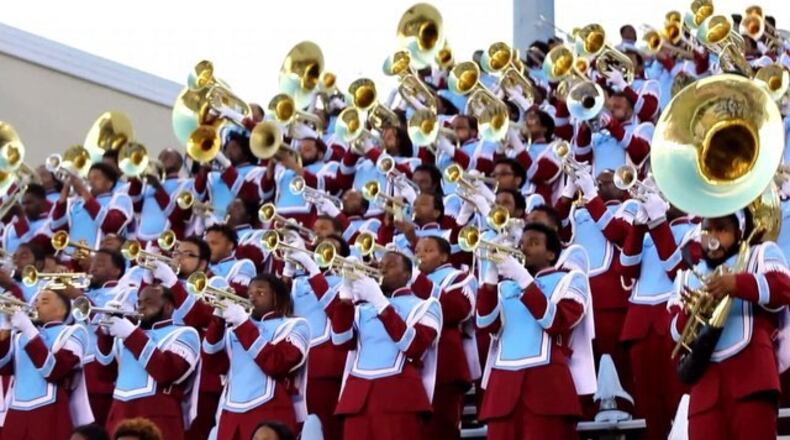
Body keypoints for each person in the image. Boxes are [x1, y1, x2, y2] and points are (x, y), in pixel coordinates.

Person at [668, 212, 790, 439]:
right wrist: (692, 311)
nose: (713, 238)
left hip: (752, 381)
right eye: (707, 230)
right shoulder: (686, 277)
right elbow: (675, 335)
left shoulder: (760, 254)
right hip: (705, 392)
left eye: (722, 229)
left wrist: (736, 284)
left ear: (738, 232)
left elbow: (783, 288)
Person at [476, 223, 593, 438]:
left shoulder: (570, 279)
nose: (524, 248)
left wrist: (523, 279)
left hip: (546, 387)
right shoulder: (504, 287)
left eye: (533, 243)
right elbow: (485, 324)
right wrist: (490, 277)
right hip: (502, 388)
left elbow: (556, 322)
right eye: (522, 243)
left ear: (551, 254)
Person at [330, 251, 442, 439]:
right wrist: (346, 295)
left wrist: (381, 303)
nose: (382, 269)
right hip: (357, 399)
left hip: (398, 398)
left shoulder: (427, 305)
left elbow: (414, 347)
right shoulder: (362, 308)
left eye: (390, 265)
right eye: (381, 265)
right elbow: (340, 341)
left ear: (407, 275)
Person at [203, 273, 311, 439]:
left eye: (260, 293)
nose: (252, 298)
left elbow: (277, 363)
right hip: (230, 414)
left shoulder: (295, 325)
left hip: (270, 411)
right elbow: (212, 364)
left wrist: (243, 323)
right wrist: (218, 319)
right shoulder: (235, 328)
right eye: (250, 293)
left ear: (277, 298)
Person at [97, 285, 201, 440]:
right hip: (119, 416)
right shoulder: (126, 333)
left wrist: (131, 334)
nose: (141, 306)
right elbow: (104, 374)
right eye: (139, 302)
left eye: (149, 301)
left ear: (168, 307)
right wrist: (105, 335)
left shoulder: (185, 333)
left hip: (158, 417)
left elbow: (167, 371)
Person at [0, 289, 92, 439]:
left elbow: (53, 371)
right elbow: (2, 367)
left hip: (50, 412)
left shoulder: (74, 332)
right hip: (16, 413)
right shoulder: (21, 336)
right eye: (36, 301)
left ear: (62, 310)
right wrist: (6, 327)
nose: (36, 305)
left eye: (45, 301)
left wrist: (28, 329)